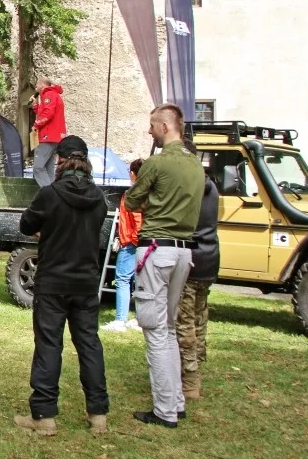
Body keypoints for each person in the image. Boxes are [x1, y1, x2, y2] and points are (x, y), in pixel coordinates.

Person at [13, 135, 110, 437]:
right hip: (85, 282)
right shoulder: (98, 198)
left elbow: (26, 225)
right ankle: (98, 415)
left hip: (53, 281)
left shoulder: (50, 194)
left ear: (60, 160)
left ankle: (44, 416)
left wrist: (49, 229)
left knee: (49, 345)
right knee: (89, 345)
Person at [123, 104, 204, 429]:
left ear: (166, 126)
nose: (149, 131)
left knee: (155, 330)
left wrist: (149, 200)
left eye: (153, 125)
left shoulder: (157, 163)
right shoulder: (196, 165)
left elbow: (131, 201)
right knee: (168, 328)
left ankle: (165, 410)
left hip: (157, 249)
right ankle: (175, 402)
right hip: (184, 251)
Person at [177, 148, 219, 402]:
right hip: (210, 257)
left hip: (192, 257)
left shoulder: (189, 186)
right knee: (199, 317)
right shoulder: (211, 185)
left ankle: (190, 379)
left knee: (184, 321)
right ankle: (196, 368)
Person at [102, 159, 145, 333]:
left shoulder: (132, 194)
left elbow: (137, 220)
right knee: (141, 282)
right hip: (143, 243)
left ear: (133, 174)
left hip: (131, 243)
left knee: (122, 280)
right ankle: (140, 319)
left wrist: (131, 239)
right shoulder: (150, 193)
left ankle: (120, 320)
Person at [31, 78, 67, 187]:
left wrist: (36, 124)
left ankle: (50, 193)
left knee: (38, 168)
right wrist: (35, 105)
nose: (36, 87)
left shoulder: (49, 94)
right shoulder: (53, 95)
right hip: (56, 138)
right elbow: (45, 111)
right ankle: (54, 191)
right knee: (48, 168)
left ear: (42, 85)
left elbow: (48, 113)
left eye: (37, 85)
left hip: (48, 136)